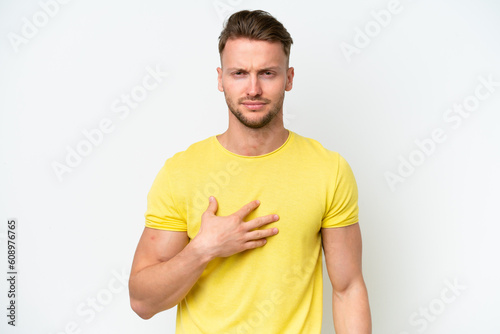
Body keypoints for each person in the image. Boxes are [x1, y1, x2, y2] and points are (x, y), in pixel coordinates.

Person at [129, 9, 371, 334]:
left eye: (268, 73)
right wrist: (204, 248)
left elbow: (348, 288)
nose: (253, 89)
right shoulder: (181, 172)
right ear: (220, 79)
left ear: (289, 78)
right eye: (240, 73)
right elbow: (143, 302)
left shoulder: (328, 170)